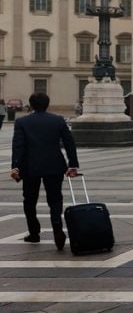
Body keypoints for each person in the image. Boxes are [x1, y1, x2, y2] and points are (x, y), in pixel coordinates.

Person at [10, 93, 79, 251]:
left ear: (31, 105)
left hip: (30, 166)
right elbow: (69, 143)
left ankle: (34, 232)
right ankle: (56, 226)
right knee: (55, 198)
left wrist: (15, 166)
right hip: (54, 165)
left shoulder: (22, 121)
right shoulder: (58, 120)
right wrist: (72, 164)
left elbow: (18, 146)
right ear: (48, 104)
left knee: (29, 200)